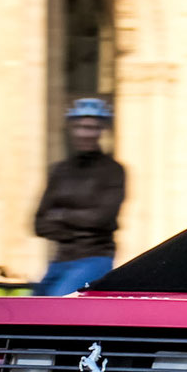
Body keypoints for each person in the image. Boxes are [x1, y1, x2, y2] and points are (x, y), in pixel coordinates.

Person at [31, 98, 126, 297]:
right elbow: (39, 223)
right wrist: (80, 224)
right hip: (60, 259)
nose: (86, 134)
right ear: (71, 129)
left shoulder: (113, 171)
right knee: (28, 311)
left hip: (95, 258)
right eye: (80, 127)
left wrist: (60, 215)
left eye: (92, 128)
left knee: (59, 307)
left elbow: (102, 218)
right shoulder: (60, 171)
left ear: (101, 130)